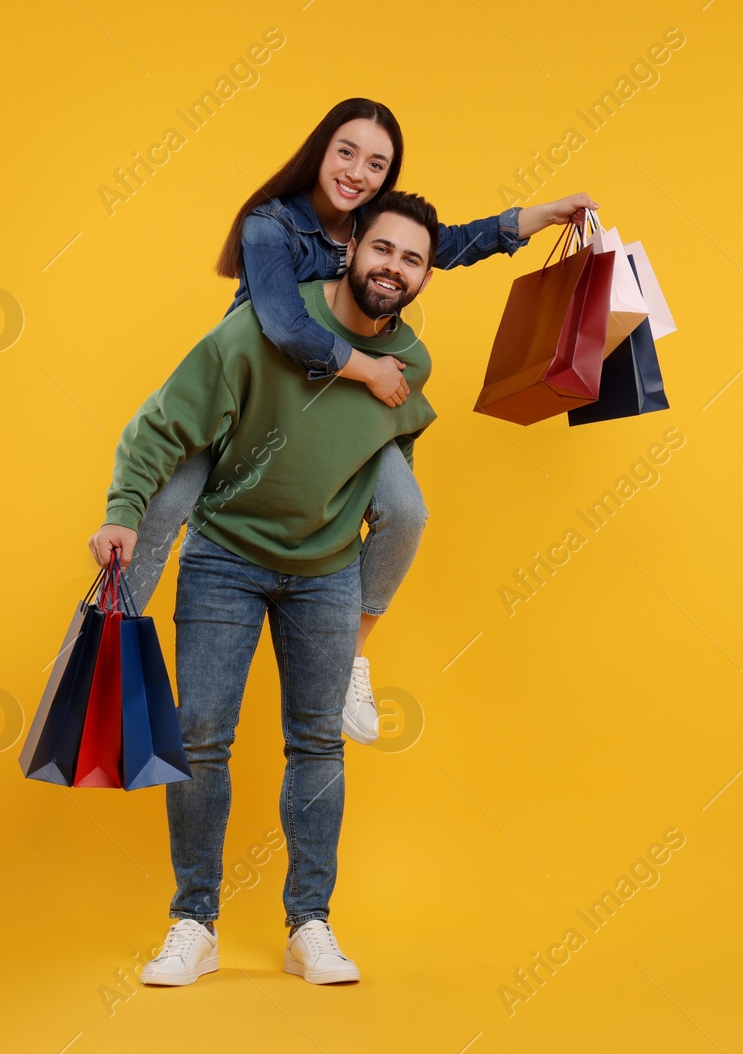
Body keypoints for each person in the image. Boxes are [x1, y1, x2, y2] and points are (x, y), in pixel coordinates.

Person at [123, 97, 595, 746]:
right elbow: (286, 328)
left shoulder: (374, 225)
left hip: (340, 411)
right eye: (347, 152)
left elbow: (449, 244)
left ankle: (351, 652)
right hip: (259, 397)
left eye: (378, 163)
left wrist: (544, 216)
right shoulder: (271, 225)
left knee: (406, 511)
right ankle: (104, 656)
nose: (358, 172)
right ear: (321, 149)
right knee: (166, 502)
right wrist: (371, 371)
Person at [87, 190, 443, 986]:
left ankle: (309, 923)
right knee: (203, 734)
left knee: (316, 744)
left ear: (425, 274)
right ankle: (194, 921)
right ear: (350, 249)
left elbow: (394, 458)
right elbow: (162, 424)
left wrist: (373, 535)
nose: (394, 267)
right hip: (226, 555)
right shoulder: (260, 328)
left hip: (326, 573)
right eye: (383, 249)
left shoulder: (410, 364)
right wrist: (121, 511)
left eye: (413, 258)